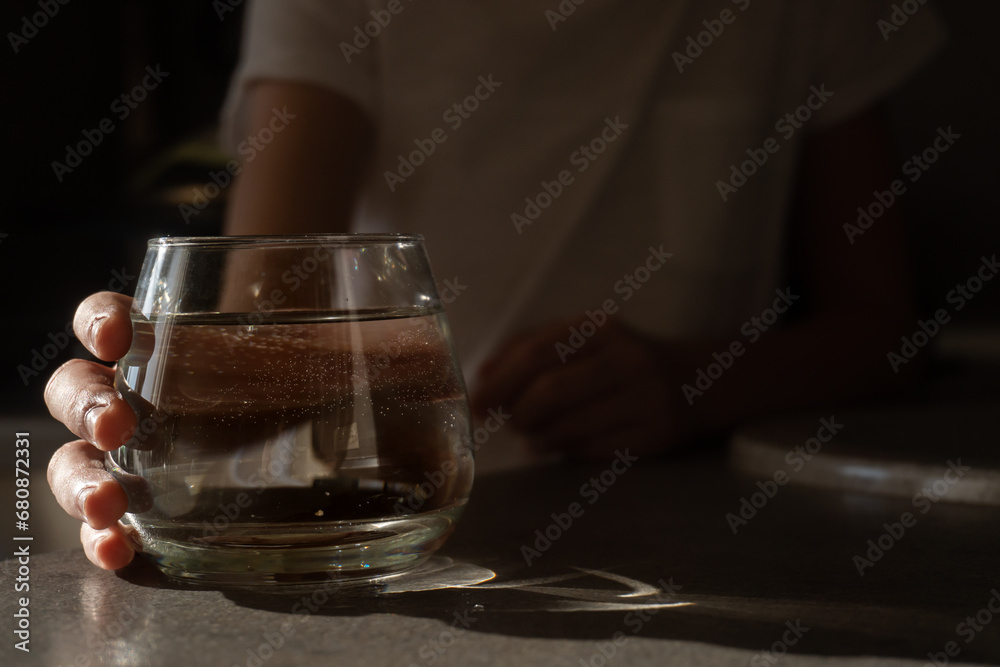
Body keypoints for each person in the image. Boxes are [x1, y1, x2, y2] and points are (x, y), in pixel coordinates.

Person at [46, 0, 945, 570]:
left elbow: (885, 332)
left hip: (707, 529)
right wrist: (147, 425)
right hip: (388, 522)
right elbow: (258, 319)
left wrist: (695, 383)